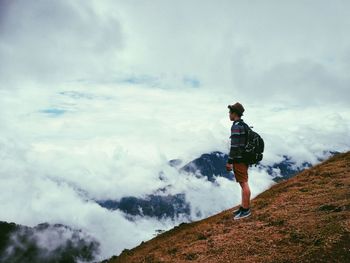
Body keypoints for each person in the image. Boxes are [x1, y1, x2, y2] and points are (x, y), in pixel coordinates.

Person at [225, 102, 251, 220]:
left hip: (239, 159)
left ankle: (246, 210)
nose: (229, 114)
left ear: (234, 113)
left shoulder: (236, 126)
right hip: (244, 159)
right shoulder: (243, 125)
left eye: (230, 112)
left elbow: (234, 146)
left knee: (244, 183)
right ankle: (243, 206)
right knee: (243, 182)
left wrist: (230, 161)